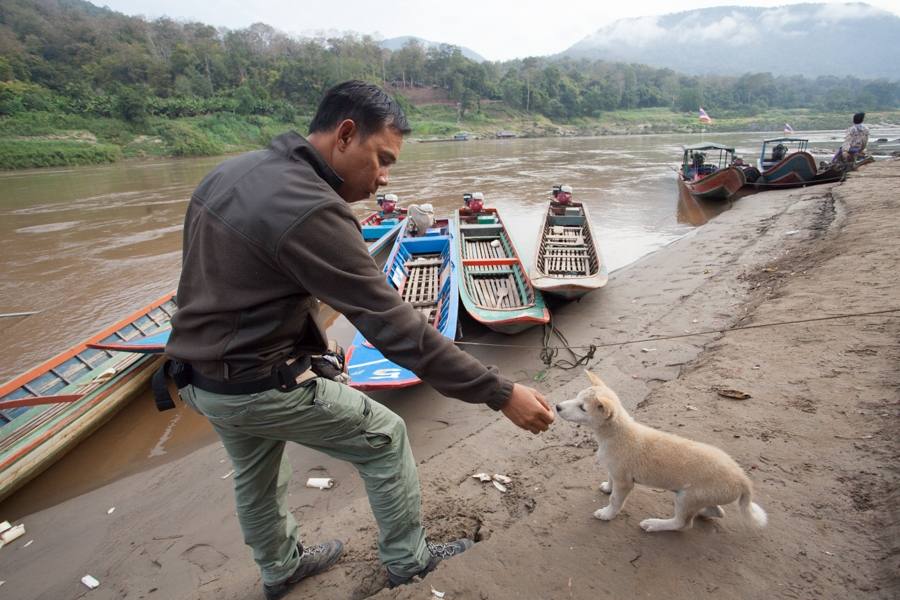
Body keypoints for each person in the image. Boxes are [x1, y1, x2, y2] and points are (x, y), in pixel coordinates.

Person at [164, 80, 554, 600]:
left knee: (256, 474)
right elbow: (393, 325)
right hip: (259, 383)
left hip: (196, 377)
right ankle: (409, 564)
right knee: (386, 439)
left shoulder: (232, 171)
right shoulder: (312, 210)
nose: (383, 179)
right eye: (382, 159)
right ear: (346, 135)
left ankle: (280, 570)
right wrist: (501, 393)